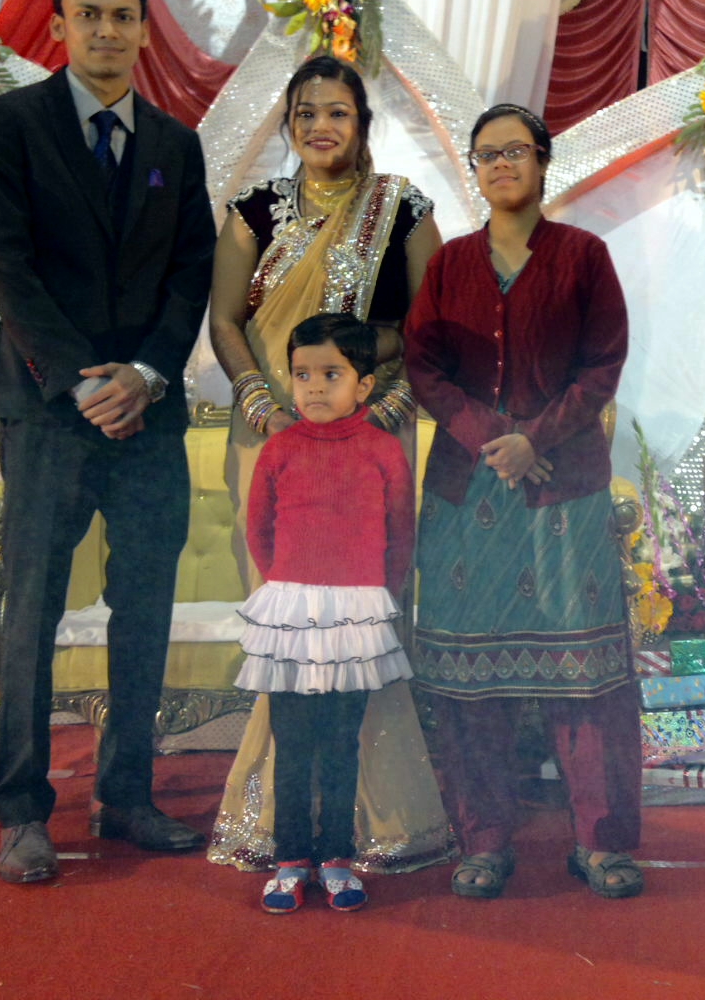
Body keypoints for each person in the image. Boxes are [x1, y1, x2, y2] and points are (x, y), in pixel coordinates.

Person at [0, 0, 216, 883]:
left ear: (145, 31)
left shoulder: (174, 143)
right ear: (60, 28)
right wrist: (83, 380)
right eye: (91, 15)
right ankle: (23, 810)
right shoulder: (11, 125)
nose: (109, 31)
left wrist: (149, 374)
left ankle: (127, 796)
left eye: (124, 16)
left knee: (142, 607)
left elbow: (191, 270)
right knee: (33, 608)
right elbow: (8, 266)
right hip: (48, 407)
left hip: (148, 412)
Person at [207, 54, 450, 877]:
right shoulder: (255, 210)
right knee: (285, 619)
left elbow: (434, 325)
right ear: (287, 123)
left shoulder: (403, 210)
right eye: (306, 112)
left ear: (363, 124)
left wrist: (390, 405)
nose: (322, 126)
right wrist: (258, 401)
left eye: (339, 112)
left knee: (370, 617)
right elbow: (227, 319)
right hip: (274, 436)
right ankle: (279, 826)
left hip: (372, 436)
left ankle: (380, 818)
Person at [405, 103, 643, 900]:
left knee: (586, 675)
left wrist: (535, 438)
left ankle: (599, 843)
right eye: (485, 155)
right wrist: (487, 435)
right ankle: (484, 842)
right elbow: (424, 366)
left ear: (543, 163)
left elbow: (602, 365)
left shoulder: (584, 257)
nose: (499, 164)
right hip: (467, 493)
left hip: (562, 491)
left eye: (514, 151)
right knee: (470, 681)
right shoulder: (450, 264)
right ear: (474, 170)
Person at [235, 313, 415, 914]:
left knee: (341, 743)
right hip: (292, 612)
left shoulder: (383, 451)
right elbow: (257, 527)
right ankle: (290, 859)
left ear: (363, 385)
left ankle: (336, 856)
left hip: (357, 617)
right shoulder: (279, 448)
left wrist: (376, 600)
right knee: (293, 744)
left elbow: (401, 535)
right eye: (302, 373)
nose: (313, 387)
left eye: (330, 374)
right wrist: (286, 584)